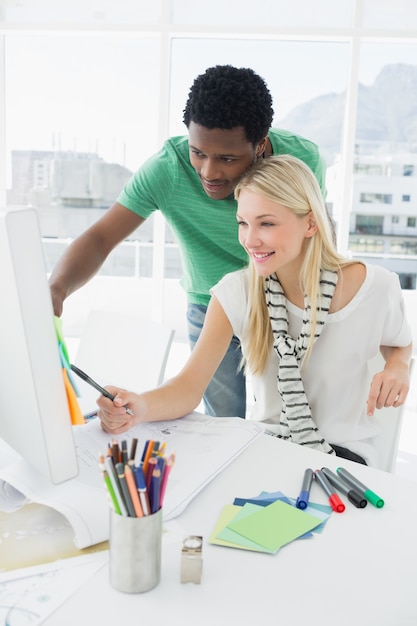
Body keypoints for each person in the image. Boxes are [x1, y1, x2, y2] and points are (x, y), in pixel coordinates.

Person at [95, 155, 412, 468]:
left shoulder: (376, 286)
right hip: (267, 445)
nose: (249, 239)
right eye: (243, 223)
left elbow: (399, 340)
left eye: (267, 223)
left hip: (344, 455)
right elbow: (188, 387)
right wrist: (139, 406)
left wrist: (398, 366)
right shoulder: (236, 292)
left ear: (311, 223)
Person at [49, 64, 328, 420]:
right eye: (199, 152)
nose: (209, 172)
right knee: (223, 422)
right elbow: (101, 238)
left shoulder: (302, 160)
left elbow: (315, 236)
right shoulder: (168, 168)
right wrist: (56, 290)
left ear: (260, 145)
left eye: (227, 158)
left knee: (288, 417)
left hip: (285, 302)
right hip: (209, 306)